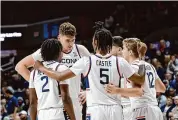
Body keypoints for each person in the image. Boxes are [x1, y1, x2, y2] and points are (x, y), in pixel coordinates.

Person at [34, 21, 145, 120]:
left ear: (95, 42)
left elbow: (59, 76)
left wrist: (41, 67)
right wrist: (142, 61)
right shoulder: (119, 62)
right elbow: (140, 80)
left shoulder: (87, 61)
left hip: (96, 110)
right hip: (115, 109)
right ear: (109, 44)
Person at [15, 22, 90, 120]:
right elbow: (20, 66)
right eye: (67, 40)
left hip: (75, 101)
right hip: (57, 104)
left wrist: (88, 91)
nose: (71, 44)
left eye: (73, 40)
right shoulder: (47, 50)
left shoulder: (81, 50)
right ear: (59, 38)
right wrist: (36, 83)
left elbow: (94, 70)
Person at [106, 38, 166, 120]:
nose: (122, 52)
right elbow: (162, 88)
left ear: (130, 52)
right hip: (155, 110)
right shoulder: (149, 65)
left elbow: (138, 92)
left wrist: (117, 90)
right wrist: (147, 88)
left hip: (142, 109)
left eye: (124, 49)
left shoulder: (133, 68)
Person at [29, 39, 75, 120]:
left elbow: (33, 102)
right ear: (59, 52)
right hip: (58, 113)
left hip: (42, 114)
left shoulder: (34, 73)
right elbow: (65, 98)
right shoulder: (61, 68)